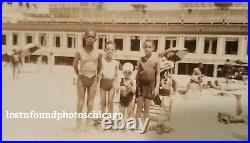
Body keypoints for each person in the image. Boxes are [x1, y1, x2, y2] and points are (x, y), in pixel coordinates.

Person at [73, 30, 102, 130]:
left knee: (90, 104)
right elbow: (75, 65)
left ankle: (87, 126)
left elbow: (100, 67)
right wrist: (80, 75)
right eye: (88, 36)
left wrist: (96, 76)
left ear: (95, 39)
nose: (90, 38)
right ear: (84, 38)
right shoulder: (79, 51)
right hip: (81, 79)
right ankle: (77, 125)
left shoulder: (98, 52)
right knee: (80, 103)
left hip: (93, 79)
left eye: (92, 37)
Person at [136, 40, 160, 119]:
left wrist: (157, 88)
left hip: (150, 87)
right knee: (139, 106)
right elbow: (137, 74)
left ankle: (145, 126)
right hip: (140, 86)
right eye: (145, 47)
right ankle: (136, 125)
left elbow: (157, 74)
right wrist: (134, 85)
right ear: (143, 48)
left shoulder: (156, 60)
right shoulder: (140, 60)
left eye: (149, 47)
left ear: (153, 48)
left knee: (147, 107)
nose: (147, 48)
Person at [99, 41, 119, 114]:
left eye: (112, 49)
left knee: (110, 103)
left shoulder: (116, 62)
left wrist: (117, 85)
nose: (110, 51)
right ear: (105, 50)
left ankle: (110, 118)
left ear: (114, 51)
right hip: (103, 83)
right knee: (103, 102)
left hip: (112, 84)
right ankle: (102, 117)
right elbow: (98, 72)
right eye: (108, 49)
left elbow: (117, 75)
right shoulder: (102, 61)